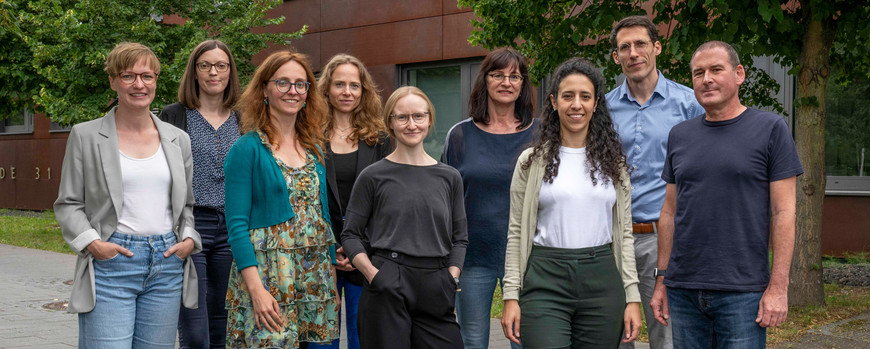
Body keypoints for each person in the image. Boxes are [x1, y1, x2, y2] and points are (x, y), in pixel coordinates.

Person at [650, 41, 803, 348]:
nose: (706, 79)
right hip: (683, 290)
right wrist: (662, 280)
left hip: (742, 291)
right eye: (698, 73)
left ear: (739, 74)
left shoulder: (771, 129)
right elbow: (668, 212)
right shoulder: (679, 135)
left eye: (716, 70)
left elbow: (784, 213)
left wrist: (779, 287)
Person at [54, 42, 201, 348]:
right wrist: (93, 244)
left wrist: (188, 239)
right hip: (112, 264)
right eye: (128, 76)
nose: (139, 84)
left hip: (166, 265)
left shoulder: (178, 140)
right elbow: (69, 203)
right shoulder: (86, 135)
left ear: (156, 81)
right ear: (113, 81)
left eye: (147, 76)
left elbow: (185, 205)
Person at [501, 57, 642, 348]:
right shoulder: (530, 163)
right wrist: (511, 295)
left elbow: (624, 235)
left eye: (585, 96)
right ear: (554, 102)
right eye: (568, 96)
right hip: (544, 280)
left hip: (602, 279)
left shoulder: (614, 165)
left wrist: (632, 297)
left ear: (596, 103)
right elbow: (516, 231)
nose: (576, 104)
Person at [223, 50, 339, 348]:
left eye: (301, 84)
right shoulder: (245, 149)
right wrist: (256, 290)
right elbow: (236, 227)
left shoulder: (314, 148)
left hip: (315, 276)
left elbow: (321, 217)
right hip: (268, 277)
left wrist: (331, 278)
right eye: (283, 83)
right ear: (264, 89)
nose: (293, 91)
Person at [341, 86, 468, 349]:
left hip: (436, 283)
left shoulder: (449, 177)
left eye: (418, 116)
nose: (411, 124)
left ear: (429, 119)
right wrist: (373, 275)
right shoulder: (372, 176)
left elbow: (460, 238)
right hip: (387, 280)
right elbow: (351, 234)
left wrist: (451, 277)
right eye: (402, 117)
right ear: (390, 122)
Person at [605, 16, 704, 349]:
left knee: (667, 336)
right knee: (612, 335)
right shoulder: (602, 108)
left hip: (662, 240)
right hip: (609, 239)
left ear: (656, 47)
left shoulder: (689, 104)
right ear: (616, 56)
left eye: (640, 44)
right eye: (624, 47)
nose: (633, 53)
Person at [441, 47, 537, 349]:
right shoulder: (460, 135)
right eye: (498, 75)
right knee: (472, 341)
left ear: (522, 84)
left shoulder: (542, 133)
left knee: (525, 341)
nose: (506, 82)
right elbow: (446, 199)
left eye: (514, 76)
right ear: (485, 80)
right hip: (473, 257)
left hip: (527, 257)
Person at [157, 39, 241, 349]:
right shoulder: (174, 116)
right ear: (194, 72)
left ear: (230, 72)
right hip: (191, 226)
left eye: (221, 65)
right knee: (194, 331)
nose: (213, 72)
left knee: (223, 325)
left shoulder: (244, 117)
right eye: (204, 65)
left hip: (233, 228)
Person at [310, 53, 391, 349]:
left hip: (367, 253)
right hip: (318, 254)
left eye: (354, 86)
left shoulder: (381, 138)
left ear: (363, 91)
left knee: (364, 338)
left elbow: (385, 200)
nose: (347, 92)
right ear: (326, 90)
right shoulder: (307, 136)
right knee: (321, 342)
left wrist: (357, 248)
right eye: (339, 84)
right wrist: (331, 247)